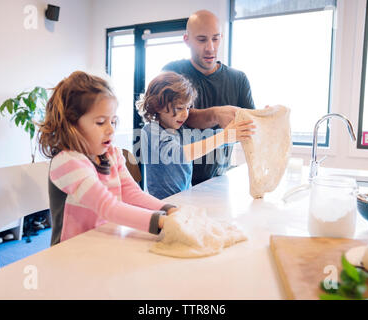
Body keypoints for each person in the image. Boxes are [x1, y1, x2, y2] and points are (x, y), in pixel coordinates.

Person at [38, 71, 178, 246]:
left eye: (112, 121)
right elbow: (107, 207)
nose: (111, 130)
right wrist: (161, 222)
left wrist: (170, 210)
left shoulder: (111, 153)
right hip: (72, 252)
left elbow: (131, 193)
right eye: (100, 122)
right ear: (71, 124)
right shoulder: (67, 161)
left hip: (106, 241)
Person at [163, 9, 255, 186]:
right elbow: (175, 117)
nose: (210, 47)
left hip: (220, 180)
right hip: (177, 182)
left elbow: (247, 129)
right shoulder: (171, 73)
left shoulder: (239, 79)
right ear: (187, 40)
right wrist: (215, 114)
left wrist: (263, 119)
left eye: (215, 38)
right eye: (202, 40)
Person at [136, 71, 255, 199]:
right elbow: (179, 154)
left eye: (188, 108)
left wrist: (238, 133)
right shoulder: (151, 131)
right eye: (180, 108)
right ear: (157, 106)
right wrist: (223, 137)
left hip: (183, 200)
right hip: (161, 205)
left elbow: (209, 138)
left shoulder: (180, 130)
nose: (185, 114)